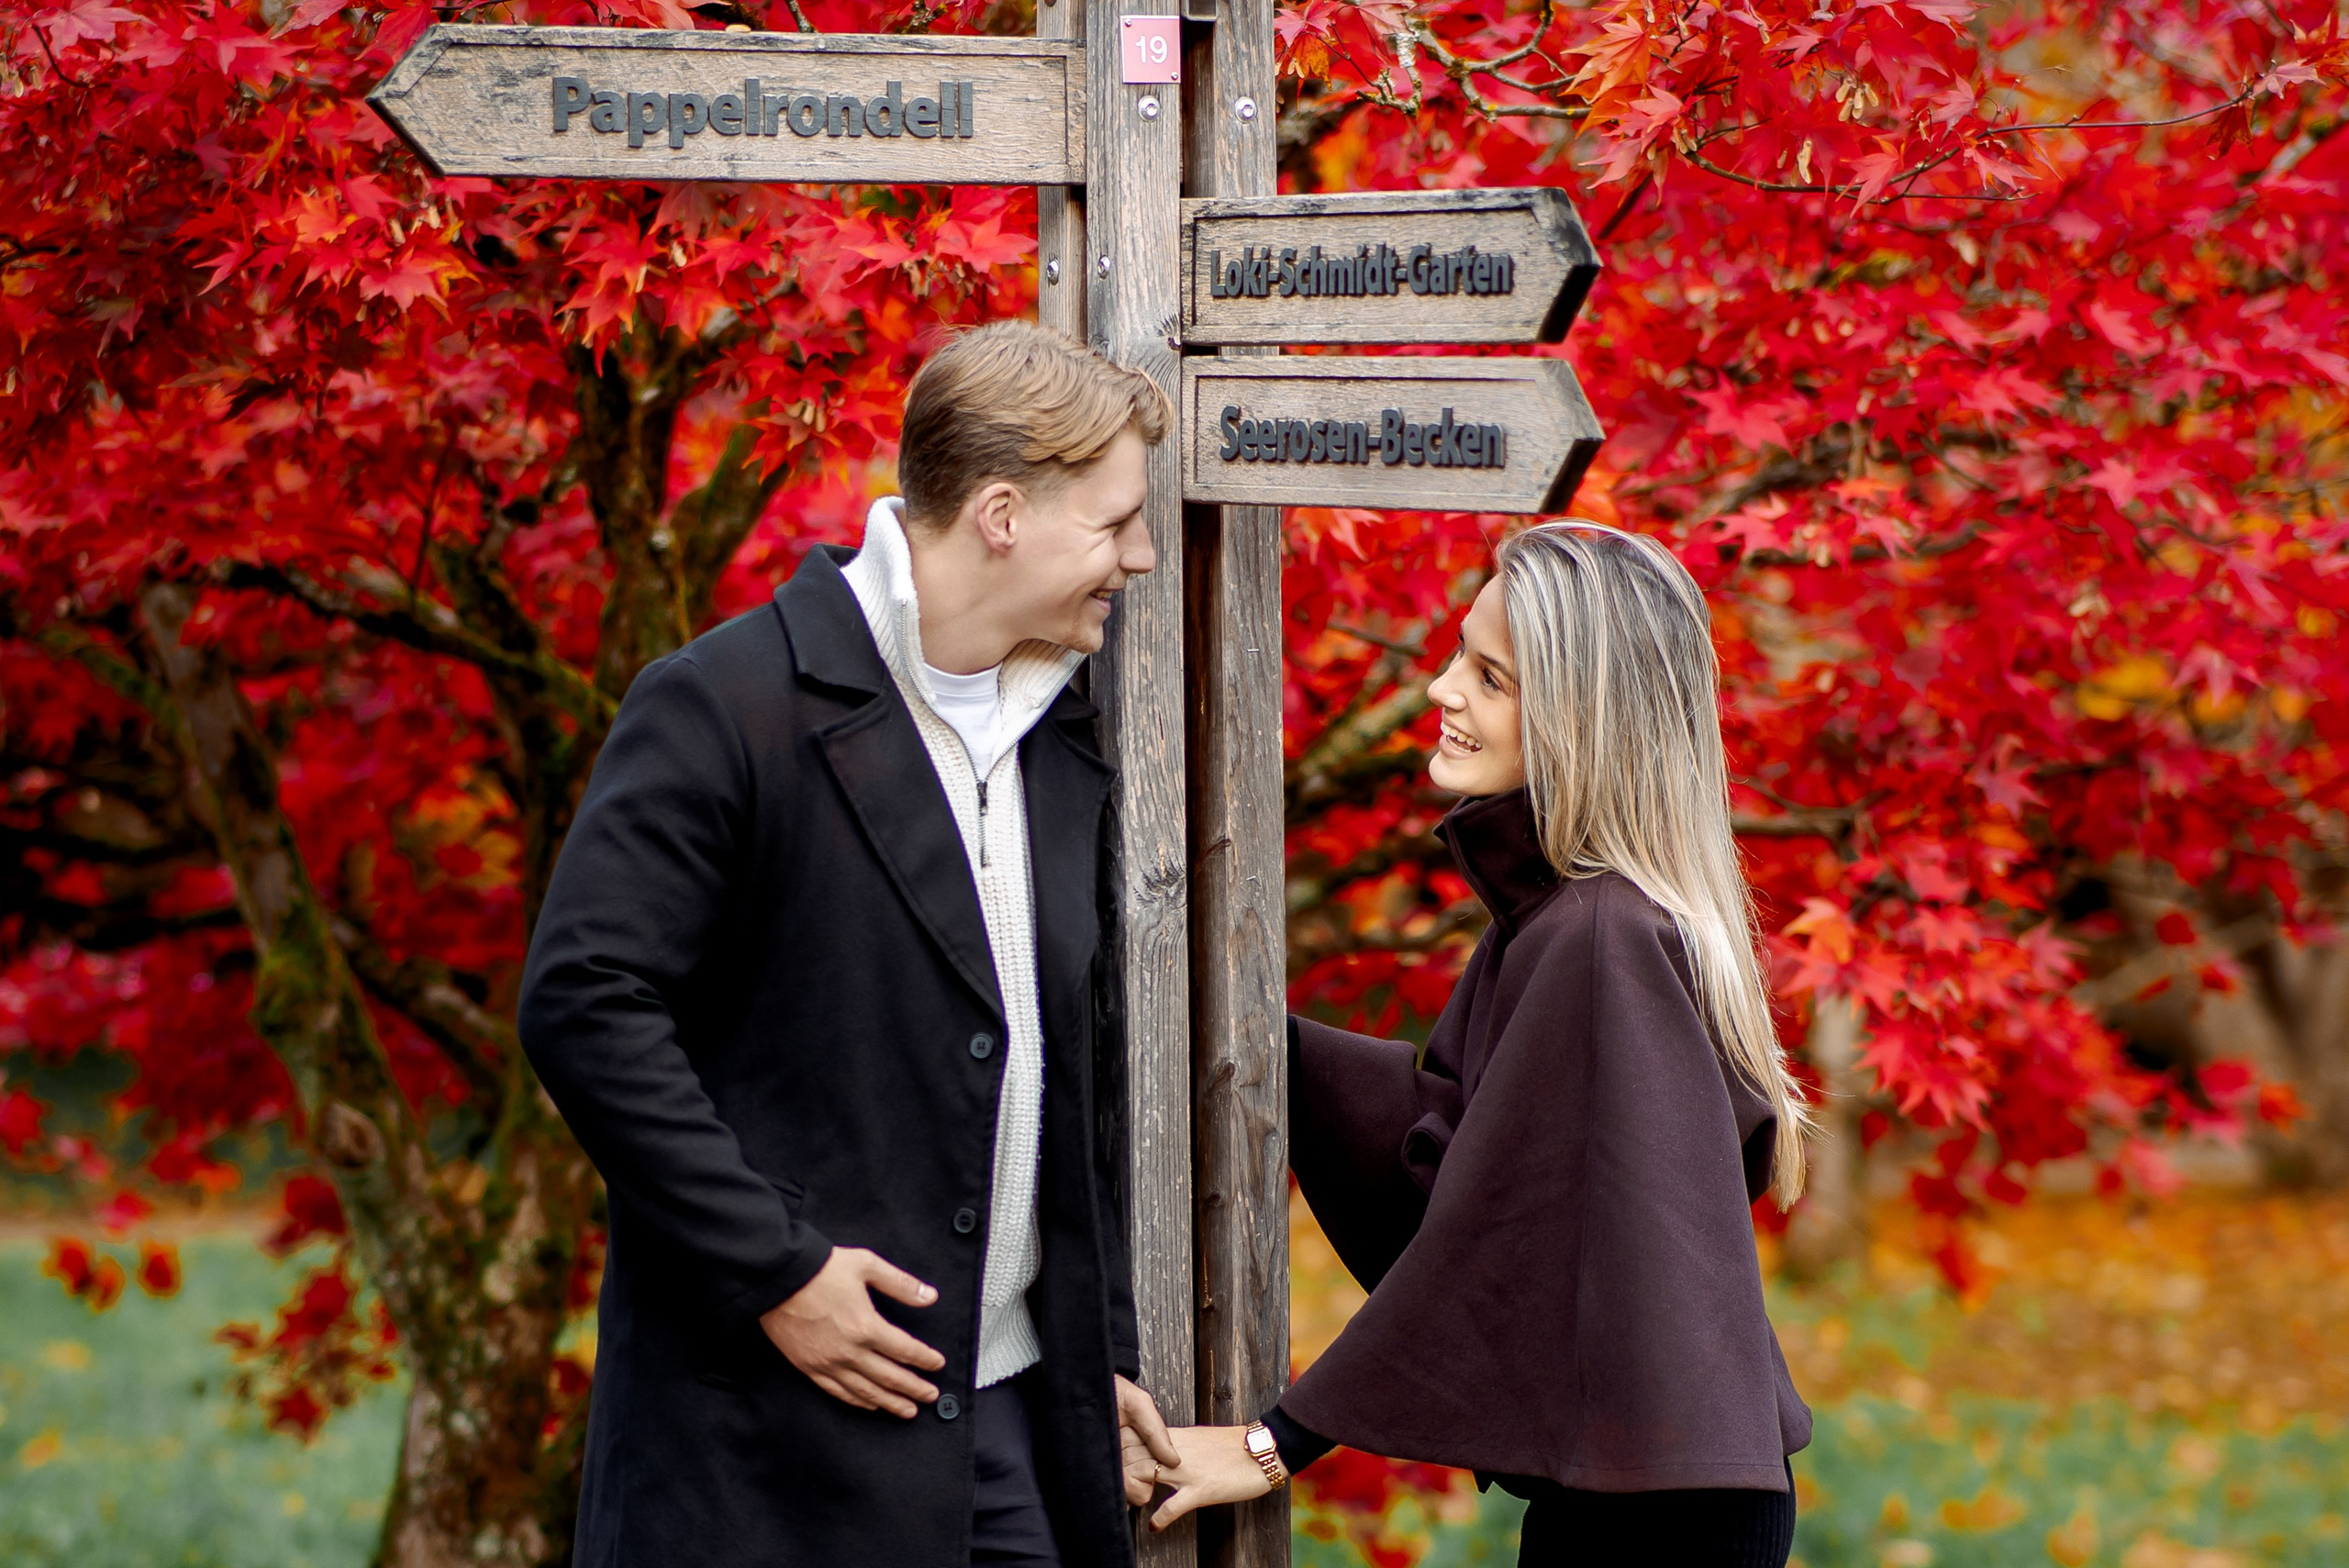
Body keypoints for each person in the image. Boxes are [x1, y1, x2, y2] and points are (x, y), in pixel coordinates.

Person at [518, 320, 1184, 1568]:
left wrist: (1101, 1353)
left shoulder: (1061, 730)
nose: (1138, 557)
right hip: (766, 1454)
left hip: (1013, 1435)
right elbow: (584, 1003)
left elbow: (1065, 1061)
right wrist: (775, 1269)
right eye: (1114, 523)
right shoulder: (726, 703)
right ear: (1000, 514)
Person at [1147, 521, 1816, 1566]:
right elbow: (1453, 1145)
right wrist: (1239, 1039)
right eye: (1460, 653)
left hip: (1663, 1514)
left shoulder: (1599, 937)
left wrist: (1273, 1443)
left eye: (1490, 675)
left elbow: (1496, 1224)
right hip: (1643, 1487)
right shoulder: (1565, 923)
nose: (1440, 690)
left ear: (1577, 717)